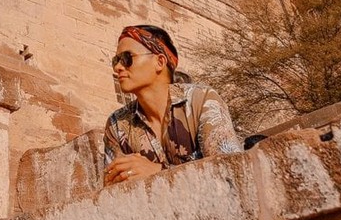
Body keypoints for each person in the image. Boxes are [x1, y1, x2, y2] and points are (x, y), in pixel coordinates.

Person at [103, 25, 241, 186]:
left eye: (127, 58)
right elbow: (114, 189)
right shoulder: (117, 125)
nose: (118, 67)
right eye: (116, 61)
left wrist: (159, 173)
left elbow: (232, 173)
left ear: (160, 62)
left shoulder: (200, 100)